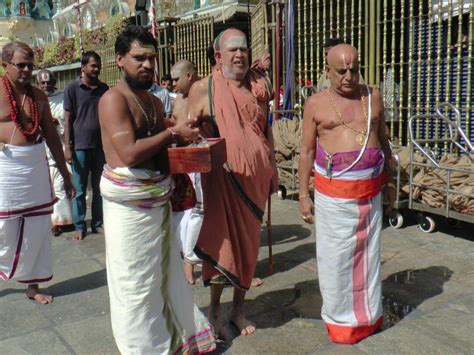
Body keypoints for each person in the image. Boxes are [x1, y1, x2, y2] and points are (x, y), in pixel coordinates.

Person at [98, 26, 215, 353]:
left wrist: (184, 132)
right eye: (139, 58)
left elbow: (161, 139)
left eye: (151, 58)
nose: (147, 65)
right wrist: (172, 133)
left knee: (161, 278)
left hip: (155, 202)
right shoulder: (112, 100)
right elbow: (131, 153)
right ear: (120, 60)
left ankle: (169, 341)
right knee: (134, 286)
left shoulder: (151, 99)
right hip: (128, 209)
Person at [298, 44, 395, 344]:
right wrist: (303, 194)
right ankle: (341, 322)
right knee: (336, 260)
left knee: (369, 258)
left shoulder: (373, 97)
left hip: (370, 194)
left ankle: (368, 317)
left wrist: (390, 183)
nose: (349, 76)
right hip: (334, 198)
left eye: (354, 68)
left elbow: (385, 142)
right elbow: (306, 151)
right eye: (341, 71)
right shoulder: (316, 103)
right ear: (328, 71)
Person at [187, 28, 278, 336]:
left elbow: (266, 132)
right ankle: (214, 310)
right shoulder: (205, 89)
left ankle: (238, 310)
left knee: (248, 248)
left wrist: (274, 169)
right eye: (233, 50)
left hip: (256, 182)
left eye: (243, 49)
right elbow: (184, 127)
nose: (240, 55)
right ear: (218, 56)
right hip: (223, 182)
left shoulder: (257, 86)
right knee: (223, 245)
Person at [0, 41, 74, 304]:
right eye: (20, 65)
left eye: (30, 65)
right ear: (5, 65)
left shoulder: (38, 97)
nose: (26, 70)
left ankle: (33, 285)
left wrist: (65, 175)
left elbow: (53, 138)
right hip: (6, 166)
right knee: (3, 225)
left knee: (37, 227)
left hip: (34, 164)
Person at [63, 51, 109, 241]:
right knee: (80, 189)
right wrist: (68, 146)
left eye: (98, 65)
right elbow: (67, 120)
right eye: (93, 65)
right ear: (83, 67)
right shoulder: (72, 88)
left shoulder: (104, 88)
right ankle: (80, 225)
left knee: (100, 188)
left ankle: (97, 223)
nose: (97, 68)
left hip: (100, 147)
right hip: (80, 146)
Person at [169, 60, 202, 285]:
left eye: (176, 79)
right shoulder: (178, 99)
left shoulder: (203, 94)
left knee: (198, 209)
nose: (172, 84)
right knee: (180, 210)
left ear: (189, 75)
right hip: (179, 159)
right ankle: (185, 259)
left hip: (199, 158)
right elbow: (174, 122)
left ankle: (190, 261)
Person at [37, 69, 73, 236]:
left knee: (62, 184)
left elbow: (67, 121)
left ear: (54, 81)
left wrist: (55, 122)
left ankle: (66, 220)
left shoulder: (62, 97)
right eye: (43, 82)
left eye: (49, 82)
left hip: (61, 146)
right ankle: (56, 221)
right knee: (50, 186)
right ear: (38, 84)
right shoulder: (34, 99)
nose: (46, 85)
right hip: (42, 148)